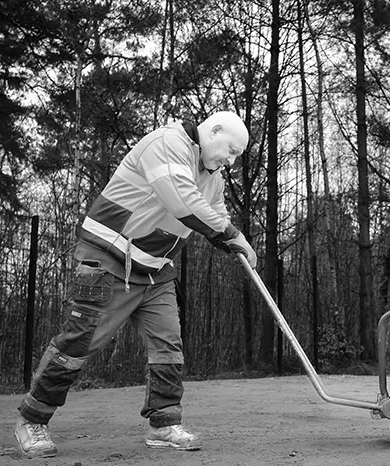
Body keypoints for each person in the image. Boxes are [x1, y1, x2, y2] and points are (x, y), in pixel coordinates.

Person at [14, 111, 257, 458]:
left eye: (236, 156)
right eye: (230, 150)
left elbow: (214, 212)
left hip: (155, 271)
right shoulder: (167, 144)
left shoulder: (213, 176)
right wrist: (231, 235)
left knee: (168, 344)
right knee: (80, 341)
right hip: (108, 259)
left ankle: (164, 423)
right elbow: (183, 201)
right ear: (213, 131)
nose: (230, 161)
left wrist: (234, 242)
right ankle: (31, 419)